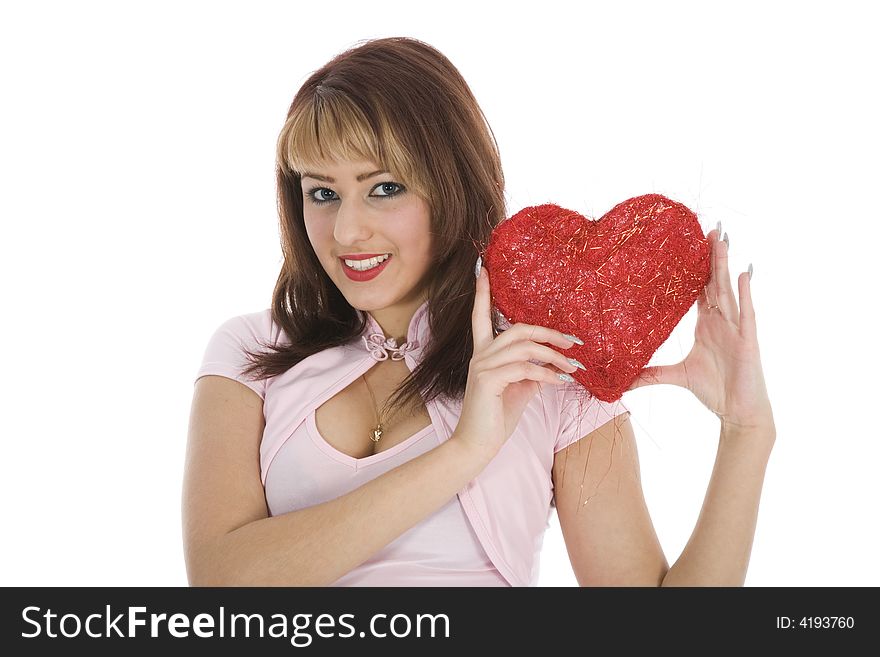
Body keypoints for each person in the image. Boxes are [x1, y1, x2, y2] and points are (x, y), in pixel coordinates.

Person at [182, 36, 776, 587]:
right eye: (322, 192)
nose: (346, 229)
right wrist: (464, 452)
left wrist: (746, 433)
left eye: (384, 187)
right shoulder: (248, 353)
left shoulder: (550, 366)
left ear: (451, 186)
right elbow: (220, 582)